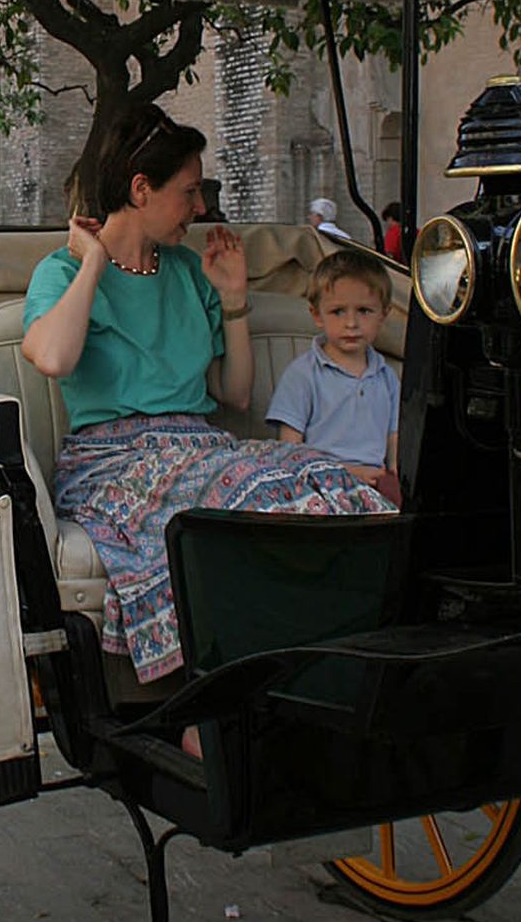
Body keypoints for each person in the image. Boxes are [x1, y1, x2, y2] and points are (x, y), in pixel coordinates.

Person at [21, 104, 391, 684]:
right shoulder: (62, 273)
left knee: (326, 479)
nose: (200, 208)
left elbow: (234, 395)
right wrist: (94, 262)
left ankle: (321, 677)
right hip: (113, 462)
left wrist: (234, 299)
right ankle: (228, 696)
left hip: (199, 448)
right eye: (189, 192)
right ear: (141, 189)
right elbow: (52, 358)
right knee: (252, 498)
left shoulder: (188, 271)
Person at [268, 247, 401, 505]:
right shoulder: (303, 374)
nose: (351, 323)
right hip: (319, 484)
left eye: (364, 310)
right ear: (317, 315)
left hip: (376, 484)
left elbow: (395, 438)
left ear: (383, 314)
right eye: (338, 311)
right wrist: (346, 473)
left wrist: (396, 478)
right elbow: (289, 452)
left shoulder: (387, 377)